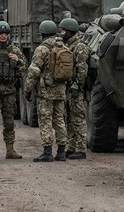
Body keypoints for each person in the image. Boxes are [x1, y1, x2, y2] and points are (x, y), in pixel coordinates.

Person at [24, 20, 68, 162]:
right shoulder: (63, 46)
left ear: (42, 33)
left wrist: (27, 90)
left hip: (45, 92)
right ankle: (61, 152)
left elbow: (34, 71)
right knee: (60, 120)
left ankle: (47, 152)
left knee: (45, 121)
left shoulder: (41, 49)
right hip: (60, 90)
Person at [0, 21, 26, 160]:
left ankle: (10, 150)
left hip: (9, 90)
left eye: (5, 34)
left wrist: (17, 60)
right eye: (0, 34)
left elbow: (25, 68)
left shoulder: (14, 49)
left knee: (9, 121)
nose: (3, 36)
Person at [60, 18, 90, 160]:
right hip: (68, 87)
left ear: (70, 31)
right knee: (69, 119)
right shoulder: (67, 46)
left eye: (63, 30)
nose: (61, 33)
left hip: (75, 88)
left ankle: (81, 148)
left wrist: (78, 85)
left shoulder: (79, 46)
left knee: (78, 118)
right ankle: (71, 147)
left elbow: (82, 68)